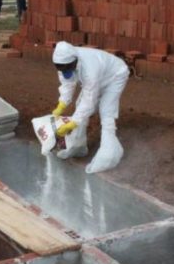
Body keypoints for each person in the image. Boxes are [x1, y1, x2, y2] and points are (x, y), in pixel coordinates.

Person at [51, 41, 129, 174]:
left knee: (106, 110)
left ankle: (109, 155)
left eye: (66, 68)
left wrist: (73, 122)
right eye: (60, 68)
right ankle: (78, 146)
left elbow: (89, 100)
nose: (64, 71)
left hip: (115, 75)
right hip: (100, 74)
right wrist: (62, 104)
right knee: (78, 105)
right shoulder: (63, 61)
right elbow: (67, 83)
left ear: (75, 62)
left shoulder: (90, 69)